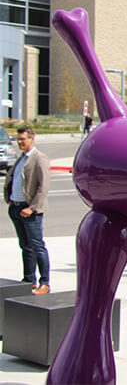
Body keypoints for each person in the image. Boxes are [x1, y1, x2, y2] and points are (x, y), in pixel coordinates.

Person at [4, 126, 51, 294]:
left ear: (32, 139)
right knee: (25, 246)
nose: (19, 142)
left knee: (37, 246)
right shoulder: (21, 158)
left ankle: (44, 282)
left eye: (23, 139)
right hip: (16, 208)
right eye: (18, 139)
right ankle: (28, 279)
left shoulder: (39, 159)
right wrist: (10, 201)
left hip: (30, 211)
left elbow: (43, 187)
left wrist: (32, 208)